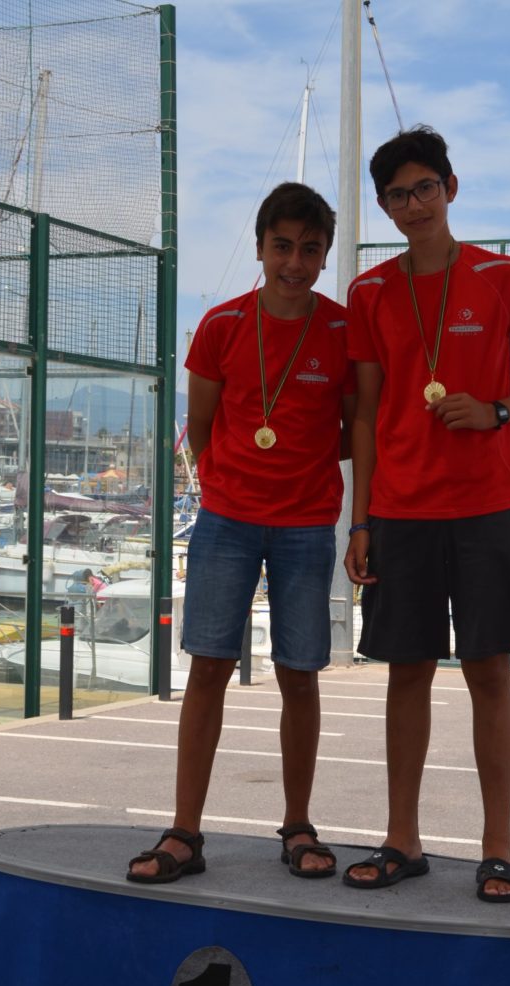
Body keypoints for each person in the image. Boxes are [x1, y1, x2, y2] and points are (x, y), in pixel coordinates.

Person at [343, 127, 510, 902]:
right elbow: (366, 413)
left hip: (485, 505)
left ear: (450, 188)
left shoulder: (501, 276)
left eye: (424, 188)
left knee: (488, 673)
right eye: (397, 195)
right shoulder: (369, 291)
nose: (413, 205)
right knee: (406, 673)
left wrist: (499, 409)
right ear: (384, 206)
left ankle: (497, 849)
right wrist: (360, 521)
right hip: (400, 509)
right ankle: (401, 840)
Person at [127, 181, 355, 885]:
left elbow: (356, 430)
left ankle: (298, 825)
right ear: (259, 248)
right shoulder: (222, 325)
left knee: (300, 676)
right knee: (208, 670)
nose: (295, 262)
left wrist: (301, 464)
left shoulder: (342, 331)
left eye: (310, 249)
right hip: (226, 520)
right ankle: (184, 833)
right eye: (282, 246)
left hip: (307, 524)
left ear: (324, 255)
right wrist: (230, 482)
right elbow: (199, 426)